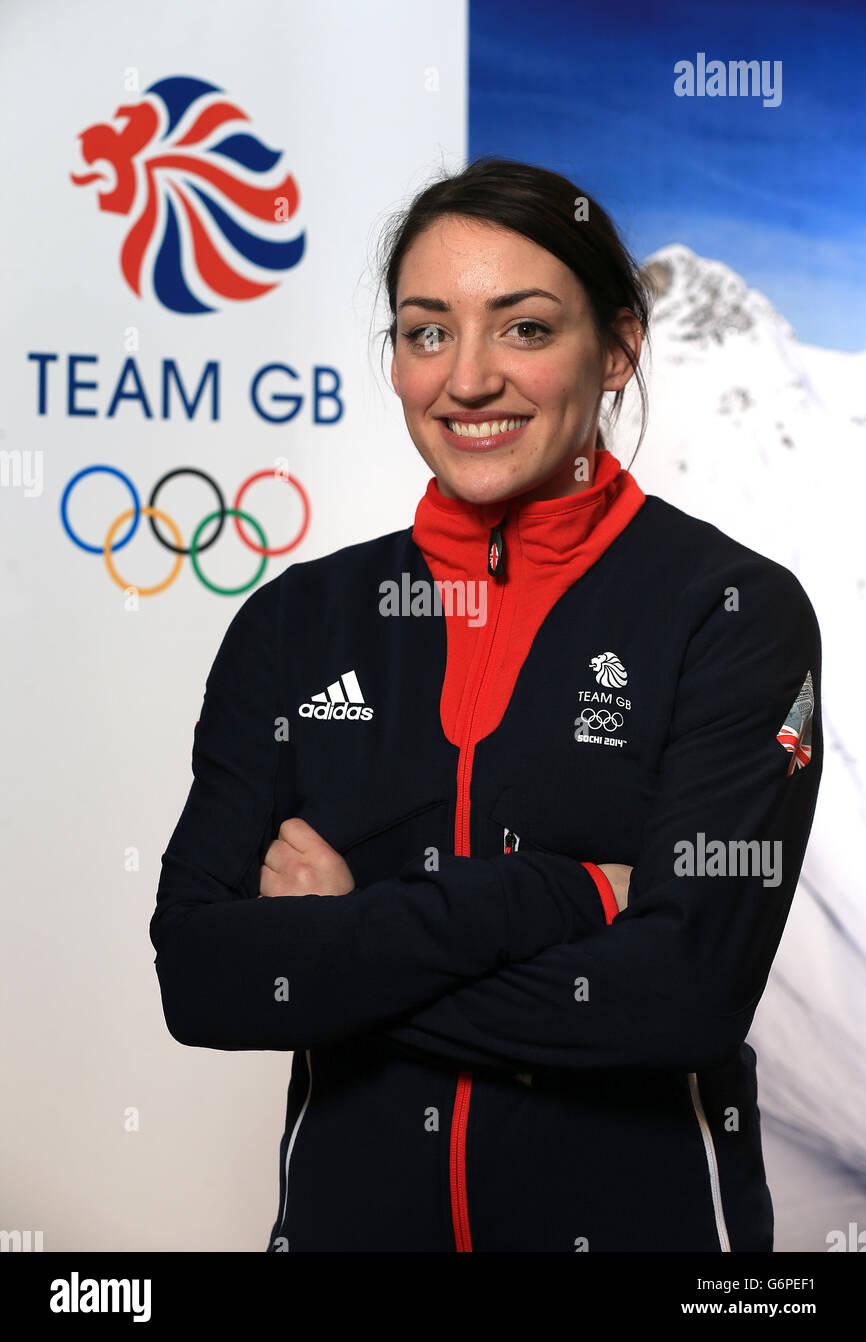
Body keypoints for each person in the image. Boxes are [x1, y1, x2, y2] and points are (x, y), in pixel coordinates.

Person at [149, 157, 823, 1253]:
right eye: (426, 331)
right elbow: (201, 976)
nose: (466, 380)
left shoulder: (730, 611)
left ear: (615, 350)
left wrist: (337, 940)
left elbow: (680, 1001)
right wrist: (553, 894)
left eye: (522, 328)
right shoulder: (297, 621)